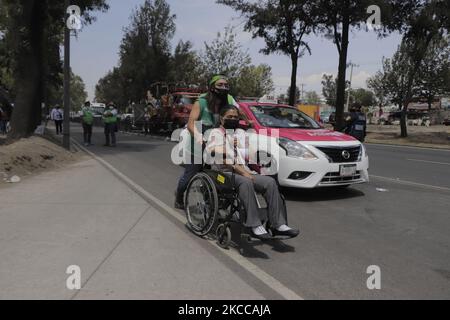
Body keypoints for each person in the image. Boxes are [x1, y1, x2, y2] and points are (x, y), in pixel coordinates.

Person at [206, 105, 299, 240]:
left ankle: (278, 225)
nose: (233, 119)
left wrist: (248, 152)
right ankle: (254, 225)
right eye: (229, 117)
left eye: (235, 117)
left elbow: (251, 153)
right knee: (246, 181)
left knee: (270, 182)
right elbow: (222, 158)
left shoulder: (241, 133)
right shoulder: (216, 133)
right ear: (221, 119)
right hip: (222, 174)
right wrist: (242, 170)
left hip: (244, 170)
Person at [174, 75, 239, 209]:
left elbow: (238, 113)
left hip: (216, 146)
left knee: (216, 176)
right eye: (220, 85)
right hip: (197, 146)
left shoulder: (229, 99)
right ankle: (179, 197)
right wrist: (199, 137)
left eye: (226, 85)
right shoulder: (201, 101)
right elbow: (191, 124)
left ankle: (210, 203)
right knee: (189, 175)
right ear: (212, 86)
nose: (224, 88)